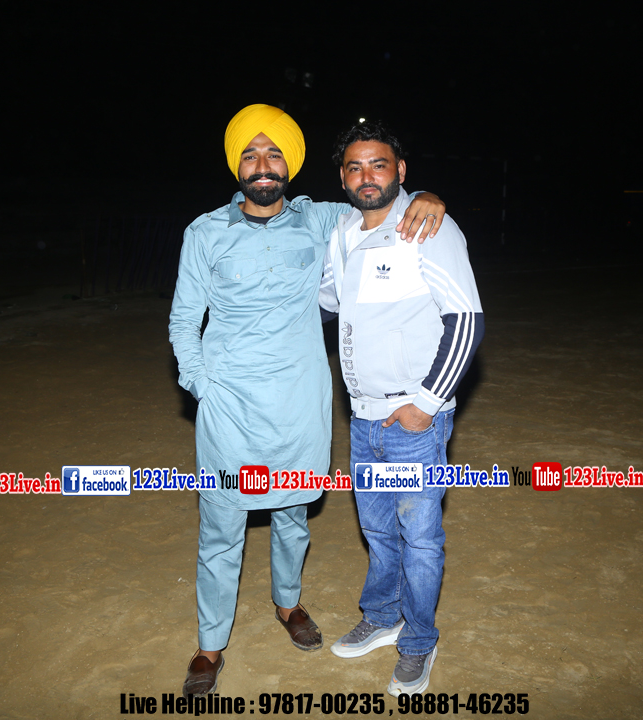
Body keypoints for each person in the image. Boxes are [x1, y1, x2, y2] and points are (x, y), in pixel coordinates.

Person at [168, 105, 445, 699]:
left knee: (293, 515)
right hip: (229, 408)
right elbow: (184, 320)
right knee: (222, 525)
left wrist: (425, 195)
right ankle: (210, 645)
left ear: (289, 165)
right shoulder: (204, 232)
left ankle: (289, 604)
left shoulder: (321, 220)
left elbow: (378, 199)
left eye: (274, 154)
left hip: (300, 404)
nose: (263, 165)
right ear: (237, 166)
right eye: (251, 155)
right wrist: (203, 387)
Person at [319, 121, 484, 696]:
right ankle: (383, 616)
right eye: (355, 167)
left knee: (419, 538)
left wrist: (428, 403)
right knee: (378, 530)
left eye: (379, 164)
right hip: (363, 417)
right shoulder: (342, 234)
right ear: (343, 177)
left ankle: (418, 641)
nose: (367, 176)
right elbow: (330, 301)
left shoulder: (427, 226)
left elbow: (466, 320)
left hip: (413, 422)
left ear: (401, 171)